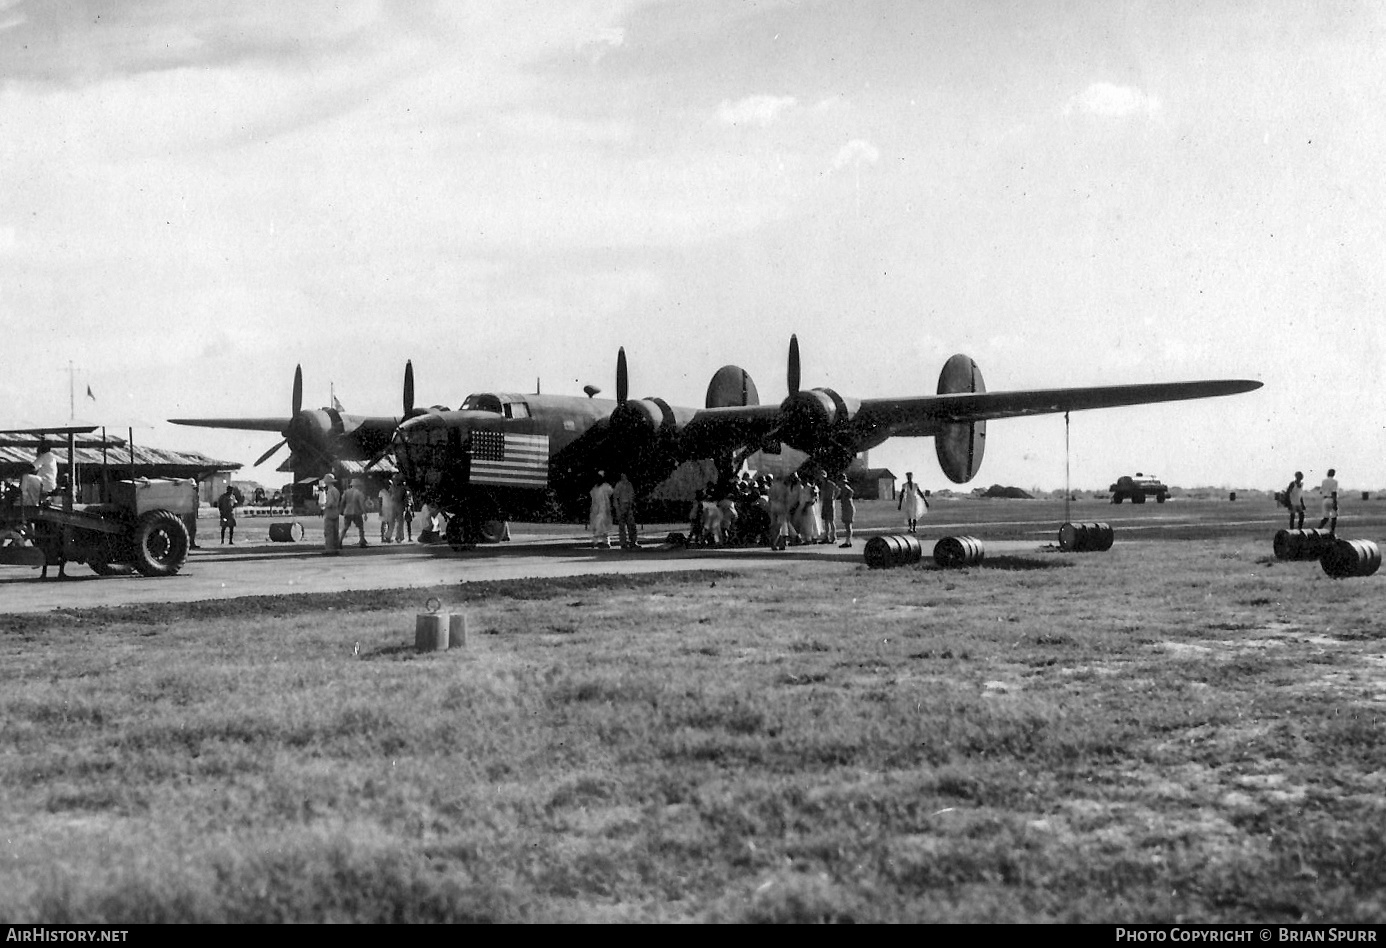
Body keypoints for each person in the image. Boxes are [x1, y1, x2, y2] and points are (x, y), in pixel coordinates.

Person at [613, 471, 639, 550]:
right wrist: (617, 508)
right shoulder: (618, 485)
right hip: (622, 506)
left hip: (629, 506)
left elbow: (632, 495)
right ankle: (623, 543)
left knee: (631, 525)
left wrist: (632, 505)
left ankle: (633, 542)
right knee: (622, 526)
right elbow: (615, 497)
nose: (623, 477)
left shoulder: (629, 485)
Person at [341, 477, 369, 547]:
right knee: (361, 528)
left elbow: (342, 502)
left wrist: (341, 510)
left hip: (347, 511)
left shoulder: (346, 492)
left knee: (345, 528)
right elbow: (361, 504)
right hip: (356, 512)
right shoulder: (359, 493)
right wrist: (365, 514)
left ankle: (339, 541)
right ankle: (362, 541)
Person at [588, 472, 614, 549]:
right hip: (596, 509)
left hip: (604, 508)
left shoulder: (606, 486)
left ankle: (599, 541)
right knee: (596, 524)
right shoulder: (595, 488)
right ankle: (602, 541)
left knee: (602, 524)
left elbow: (611, 494)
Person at [320, 473, 342, 555]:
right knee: (335, 532)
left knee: (329, 532)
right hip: (336, 512)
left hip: (330, 512)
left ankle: (329, 550)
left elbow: (331, 502)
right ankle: (335, 549)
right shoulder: (336, 490)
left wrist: (325, 506)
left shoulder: (330, 491)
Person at [1318, 468, 1339, 534]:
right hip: (1331, 499)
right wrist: (1335, 503)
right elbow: (1334, 492)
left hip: (1325, 499)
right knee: (1334, 517)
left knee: (1326, 517)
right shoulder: (1335, 481)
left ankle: (1318, 529)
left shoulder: (1324, 481)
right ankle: (1332, 531)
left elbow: (1321, 491)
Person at [388, 475, 408, 543]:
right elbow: (404, 498)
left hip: (394, 505)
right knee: (399, 522)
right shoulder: (402, 488)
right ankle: (399, 536)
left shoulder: (392, 488)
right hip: (399, 505)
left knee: (392, 522)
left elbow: (390, 497)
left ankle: (390, 536)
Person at [838, 476, 856, 547]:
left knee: (848, 525)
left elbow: (851, 492)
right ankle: (848, 541)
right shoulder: (843, 488)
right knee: (847, 525)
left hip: (848, 508)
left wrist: (847, 497)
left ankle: (848, 541)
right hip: (846, 508)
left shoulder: (845, 488)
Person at [819, 475, 838, 545]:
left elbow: (838, 490)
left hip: (830, 502)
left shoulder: (830, 483)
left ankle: (833, 537)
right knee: (826, 521)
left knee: (831, 520)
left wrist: (834, 498)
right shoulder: (823, 485)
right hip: (825, 502)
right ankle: (826, 537)